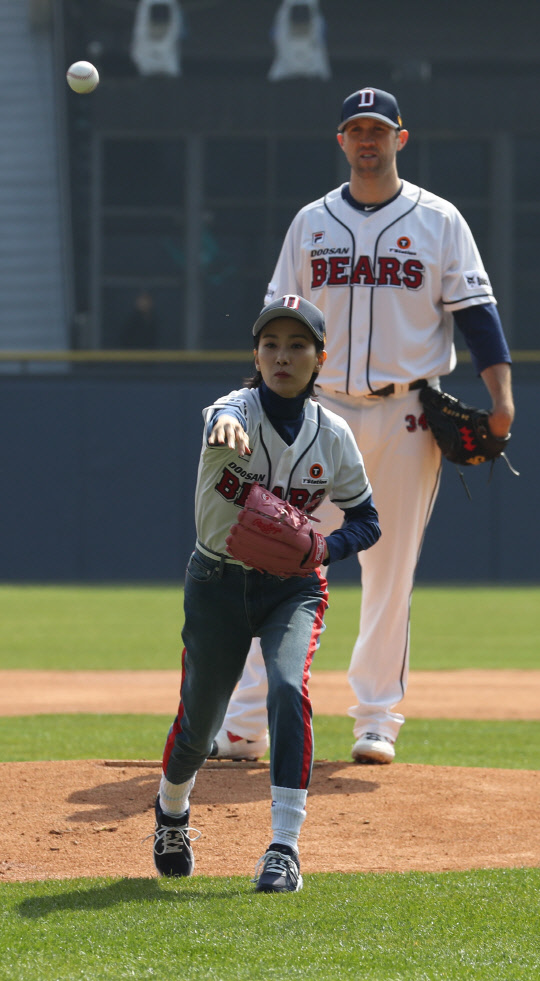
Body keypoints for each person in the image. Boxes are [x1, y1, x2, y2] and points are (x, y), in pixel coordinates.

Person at [211, 85, 515, 766]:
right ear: (341, 141)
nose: (368, 140)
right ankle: (245, 723)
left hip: (409, 412)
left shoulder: (439, 220)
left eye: (379, 129)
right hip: (321, 413)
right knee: (279, 558)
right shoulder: (311, 222)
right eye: (357, 130)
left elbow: (477, 315)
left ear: (400, 138)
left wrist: (502, 396)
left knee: (390, 571)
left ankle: (376, 718)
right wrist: (260, 398)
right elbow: (275, 321)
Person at [150, 294, 381, 892]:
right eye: (271, 344)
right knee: (200, 724)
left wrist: (323, 548)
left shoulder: (334, 435)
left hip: (294, 588)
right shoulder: (234, 410)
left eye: (298, 345)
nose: (283, 355)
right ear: (255, 353)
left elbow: (367, 520)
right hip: (217, 582)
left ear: (319, 358)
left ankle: (284, 847)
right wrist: (222, 423)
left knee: (286, 687)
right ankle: (172, 809)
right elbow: (218, 416)